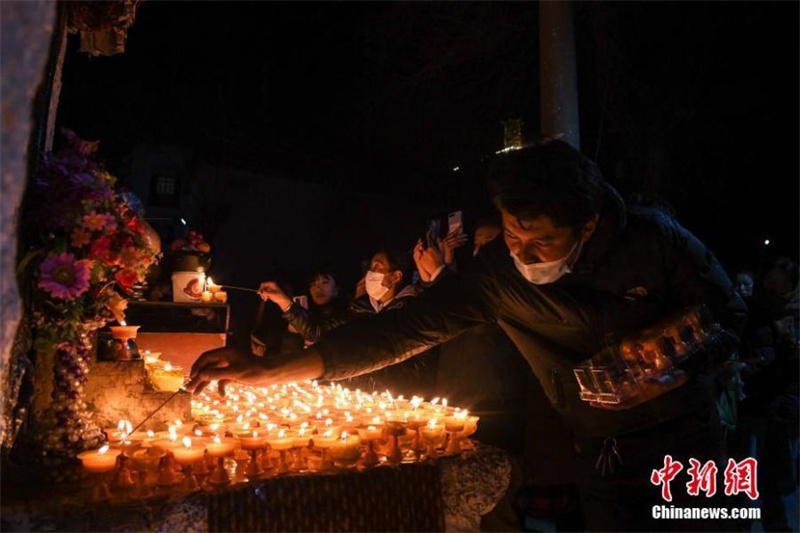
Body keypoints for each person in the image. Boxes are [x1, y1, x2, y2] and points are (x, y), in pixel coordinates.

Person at [189, 141, 747, 532]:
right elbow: (401, 330)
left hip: (691, 445)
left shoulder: (656, 241)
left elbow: (728, 312)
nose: (523, 254)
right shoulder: (498, 278)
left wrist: (676, 353)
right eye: (511, 233)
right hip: (604, 454)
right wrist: (272, 371)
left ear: (589, 223)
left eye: (542, 241)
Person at [735, 256, 799, 531]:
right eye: (772, 281)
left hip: (787, 405)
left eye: (783, 285)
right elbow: (735, 351)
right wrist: (745, 365)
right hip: (754, 403)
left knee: (781, 476)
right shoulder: (749, 311)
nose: (776, 289)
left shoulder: (796, 315)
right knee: (747, 473)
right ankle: (743, 525)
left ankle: (779, 526)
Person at [258, 268, 349, 346]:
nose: (318, 288)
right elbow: (288, 356)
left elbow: (317, 334)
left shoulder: (348, 314)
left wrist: (282, 300)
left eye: (324, 282)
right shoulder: (306, 318)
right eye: (313, 284)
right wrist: (293, 331)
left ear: (337, 289)